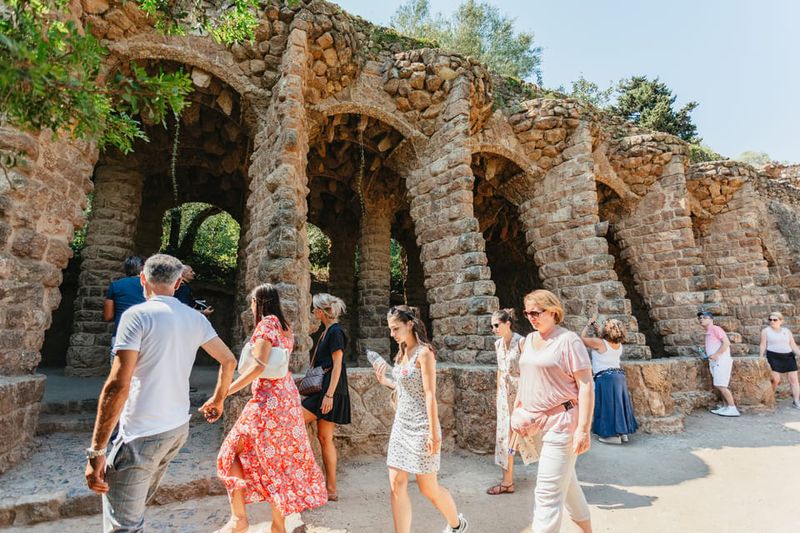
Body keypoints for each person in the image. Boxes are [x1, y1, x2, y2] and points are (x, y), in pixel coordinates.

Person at [84, 254, 237, 533]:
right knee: (134, 509)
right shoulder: (195, 318)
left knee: (124, 526)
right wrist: (218, 398)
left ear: (143, 279)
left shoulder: (136, 316)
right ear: (179, 283)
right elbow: (229, 360)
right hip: (176, 428)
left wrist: (96, 450)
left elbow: (117, 385)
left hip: (142, 431)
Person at [213, 284, 327, 533]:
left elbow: (257, 366)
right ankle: (278, 526)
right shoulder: (285, 327)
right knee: (279, 461)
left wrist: (224, 392)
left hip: (269, 401)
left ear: (259, 301)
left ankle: (239, 518)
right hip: (286, 399)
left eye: (252, 302)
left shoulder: (265, 325)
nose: (250, 306)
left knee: (230, 452)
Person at [373, 305, 468, 533]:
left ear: (409, 324)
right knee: (396, 483)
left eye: (396, 328)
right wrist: (387, 382)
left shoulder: (425, 353)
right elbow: (407, 388)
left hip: (421, 427)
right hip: (401, 426)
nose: (392, 334)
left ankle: (457, 524)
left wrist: (433, 433)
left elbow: (429, 394)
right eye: (390, 329)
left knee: (428, 488)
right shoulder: (402, 352)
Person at [512, 290, 592, 533]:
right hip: (534, 425)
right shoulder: (527, 341)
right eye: (527, 313)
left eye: (536, 312)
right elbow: (525, 378)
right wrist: (517, 410)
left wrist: (583, 430)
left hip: (563, 423)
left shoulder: (568, 341)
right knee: (567, 486)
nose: (531, 317)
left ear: (553, 311)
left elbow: (586, 385)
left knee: (547, 492)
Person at [302, 293, 352, 502]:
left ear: (321, 312)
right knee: (324, 438)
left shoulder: (335, 332)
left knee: (293, 422)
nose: (312, 312)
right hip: (324, 390)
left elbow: (338, 364)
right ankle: (330, 489)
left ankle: (309, 482)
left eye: (314, 308)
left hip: (329, 391)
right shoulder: (327, 332)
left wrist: (329, 395)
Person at [580, 317, 638, 444]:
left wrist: (587, 325)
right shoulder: (619, 345)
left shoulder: (599, 343)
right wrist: (596, 326)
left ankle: (612, 437)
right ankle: (623, 434)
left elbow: (581, 339)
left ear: (607, 330)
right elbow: (601, 336)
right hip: (619, 377)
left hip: (606, 378)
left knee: (607, 406)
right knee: (619, 405)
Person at [486, 308, 524, 495]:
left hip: (521, 394)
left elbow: (530, 371)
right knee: (504, 437)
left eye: (496, 325)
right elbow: (500, 370)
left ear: (507, 323)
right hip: (504, 394)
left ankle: (555, 477)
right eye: (492, 326)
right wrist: (497, 395)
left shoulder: (522, 342)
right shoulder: (498, 344)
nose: (493, 329)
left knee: (533, 436)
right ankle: (507, 481)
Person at [103, 256, 146, 365]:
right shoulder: (150, 286)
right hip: (146, 334)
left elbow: (108, 316)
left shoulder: (115, 285)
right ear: (142, 268)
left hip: (121, 334)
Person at [697, 311, 740, 417]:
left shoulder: (716, 329)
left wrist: (717, 354)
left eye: (704, 317)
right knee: (719, 385)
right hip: (715, 362)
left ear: (711, 319)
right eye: (700, 318)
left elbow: (726, 343)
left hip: (721, 360)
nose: (701, 319)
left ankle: (732, 408)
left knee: (721, 385)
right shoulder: (708, 332)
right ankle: (726, 407)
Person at [759, 311, 800, 409]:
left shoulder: (787, 331)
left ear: (781, 321)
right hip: (773, 356)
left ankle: (796, 401)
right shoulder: (766, 331)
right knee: (776, 380)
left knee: (794, 380)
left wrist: (799, 353)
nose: (772, 321)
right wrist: (760, 356)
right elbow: (763, 344)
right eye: (770, 320)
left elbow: (793, 345)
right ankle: (770, 398)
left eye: (775, 320)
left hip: (788, 356)